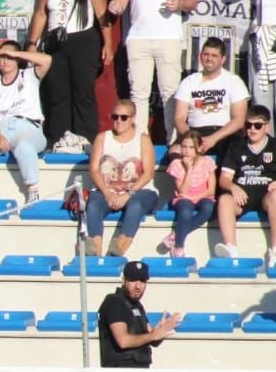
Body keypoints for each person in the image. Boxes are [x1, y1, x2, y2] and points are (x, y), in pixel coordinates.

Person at [108, 0, 197, 136]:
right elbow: (121, 1)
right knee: (138, 93)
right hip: (138, 39)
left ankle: (173, 142)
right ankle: (139, 141)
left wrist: (179, 4)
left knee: (170, 93)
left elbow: (192, 1)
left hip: (168, 38)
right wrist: (115, 6)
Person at [25, 0, 112, 147]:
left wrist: (108, 44)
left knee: (83, 91)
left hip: (83, 41)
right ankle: (58, 138)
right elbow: (40, 15)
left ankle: (86, 138)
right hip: (56, 43)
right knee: (57, 92)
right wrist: (32, 43)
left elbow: (103, 17)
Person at [0, 40, 51, 204]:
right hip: (3, 128)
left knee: (24, 147)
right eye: (2, 57)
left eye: (9, 56)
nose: (5, 60)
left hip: (29, 127)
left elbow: (47, 60)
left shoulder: (28, 75)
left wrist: (15, 53)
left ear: (17, 58)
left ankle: (33, 192)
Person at [84, 101, 159, 257]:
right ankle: (94, 251)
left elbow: (148, 173)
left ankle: (118, 249)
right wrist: (107, 193)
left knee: (135, 206)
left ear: (132, 118)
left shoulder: (143, 139)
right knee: (93, 206)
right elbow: (94, 170)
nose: (118, 121)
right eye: (115, 117)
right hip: (107, 189)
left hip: (139, 190)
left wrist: (128, 194)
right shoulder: (102, 138)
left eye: (123, 117)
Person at [213, 104, 276, 264]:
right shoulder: (236, 146)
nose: (252, 129)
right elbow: (224, 178)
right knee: (224, 199)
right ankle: (231, 249)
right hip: (242, 195)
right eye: (248, 125)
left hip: (267, 196)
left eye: (257, 125)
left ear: (267, 127)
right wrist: (233, 187)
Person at [98, 260, 182, 368]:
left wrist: (161, 332)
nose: (138, 286)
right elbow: (123, 341)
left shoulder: (137, 305)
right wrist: (153, 335)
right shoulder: (114, 302)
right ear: (123, 280)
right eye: (133, 280)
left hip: (140, 369)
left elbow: (152, 340)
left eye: (142, 281)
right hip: (121, 371)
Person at [172, 37, 249, 153]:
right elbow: (179, 118)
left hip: (224, 133)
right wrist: (192, 140)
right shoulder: (188, 81)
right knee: (174, 151)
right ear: (200, 56)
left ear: (223, 59)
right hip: (195, 133)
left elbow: (239, 120)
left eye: (214, 56)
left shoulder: (234, 81)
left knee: (235, 150)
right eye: (206, 54)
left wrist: (214, 138)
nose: (209, 59)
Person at [159, 131, 217, 257]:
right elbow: (183, 192)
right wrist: (189, 169)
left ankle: (175, 236)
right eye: (184, 147)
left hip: (203, 196)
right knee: (185, 210)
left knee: (208, 208)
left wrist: (194, 197)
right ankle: (179, 246)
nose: (186, 151)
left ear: (199, 148)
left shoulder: (207, 162)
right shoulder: (177, 164)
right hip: (183, 198)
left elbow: (211, 190)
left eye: (191, 147)